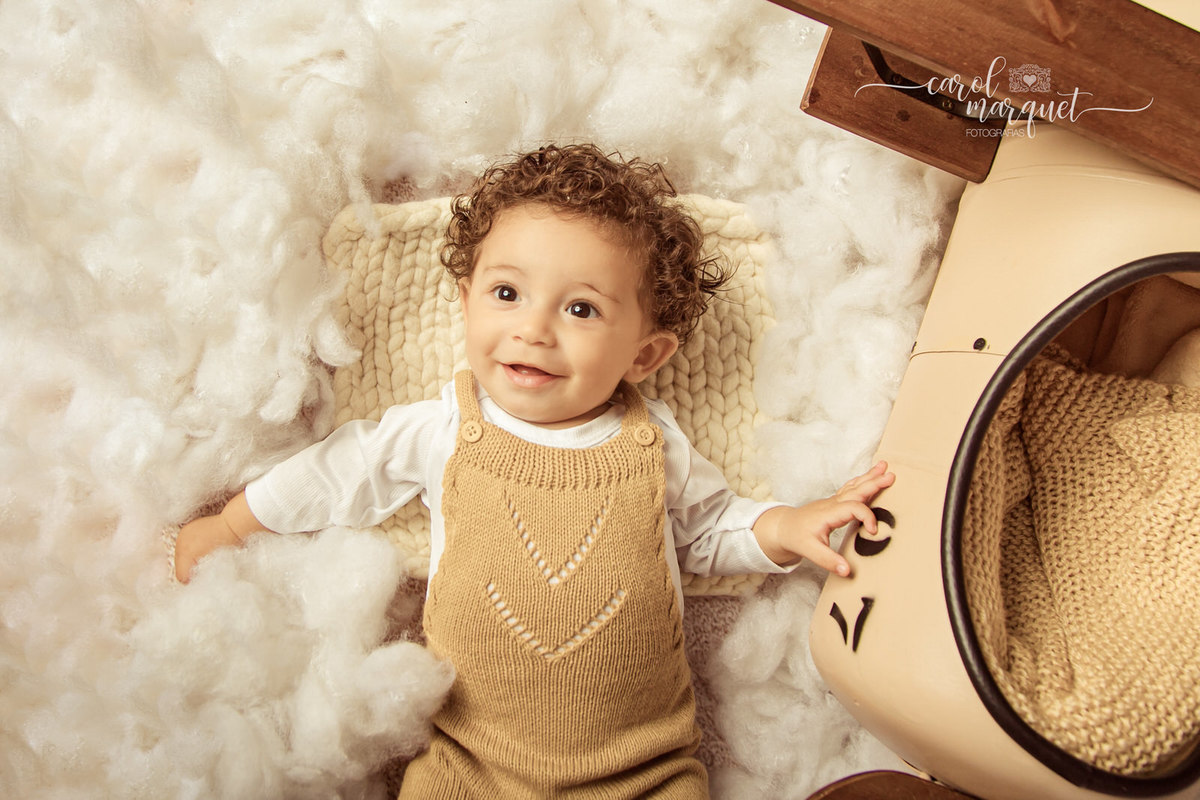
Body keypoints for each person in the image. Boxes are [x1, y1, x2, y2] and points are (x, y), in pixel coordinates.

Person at [174, 143, 894, 798]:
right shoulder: (445, 429)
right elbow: (340, 474)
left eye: (580, 308)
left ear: (644, 354)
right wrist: (233, 523)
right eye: (507, 294)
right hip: (470, 764)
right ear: (467, 303)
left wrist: (785, 529)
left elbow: (708, 533)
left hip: (641, 772)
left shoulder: (653, 446)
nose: (534, 329)